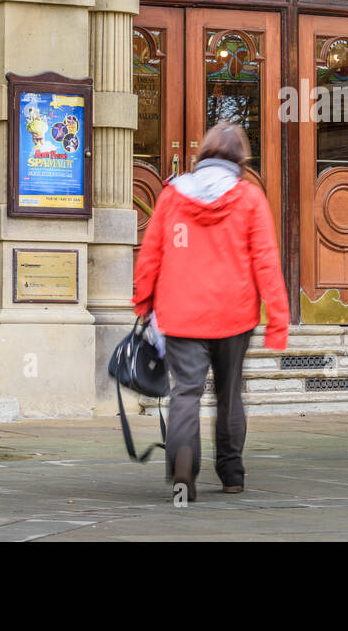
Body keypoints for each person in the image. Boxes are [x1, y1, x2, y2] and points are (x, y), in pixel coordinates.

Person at [132, 122, 289, 501]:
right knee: (230, 393)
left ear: (202, 154)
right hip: (235, 313)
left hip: (181, 312)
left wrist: (143, 300)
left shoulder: (171, 196)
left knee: (184, 393)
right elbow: (266, 261)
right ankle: (232, 474)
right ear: (240, 158)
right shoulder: (250, 198)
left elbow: (151, 252)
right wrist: (278, 320)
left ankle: (183, 473)